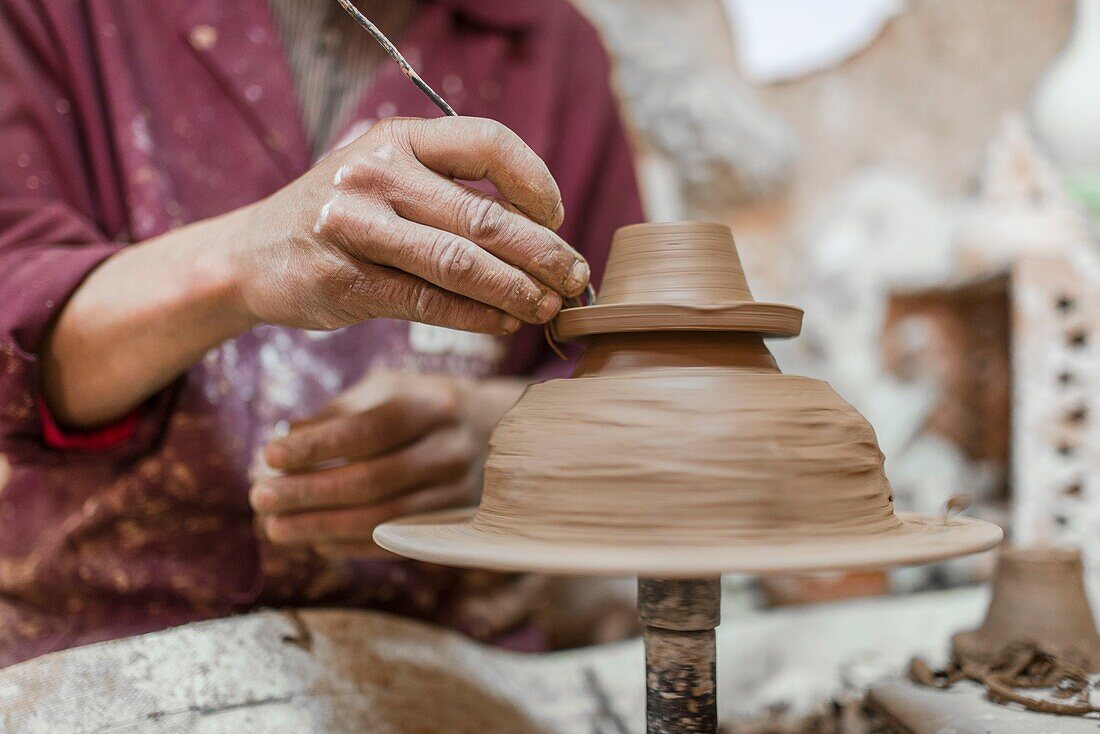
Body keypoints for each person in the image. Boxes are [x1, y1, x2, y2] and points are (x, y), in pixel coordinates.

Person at [0, 0, 643, 667]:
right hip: (107, 646)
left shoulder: (550, 44)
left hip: (446, 655)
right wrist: (242, 259)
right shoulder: (66, 13)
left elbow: (632, 380)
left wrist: (507, 440)